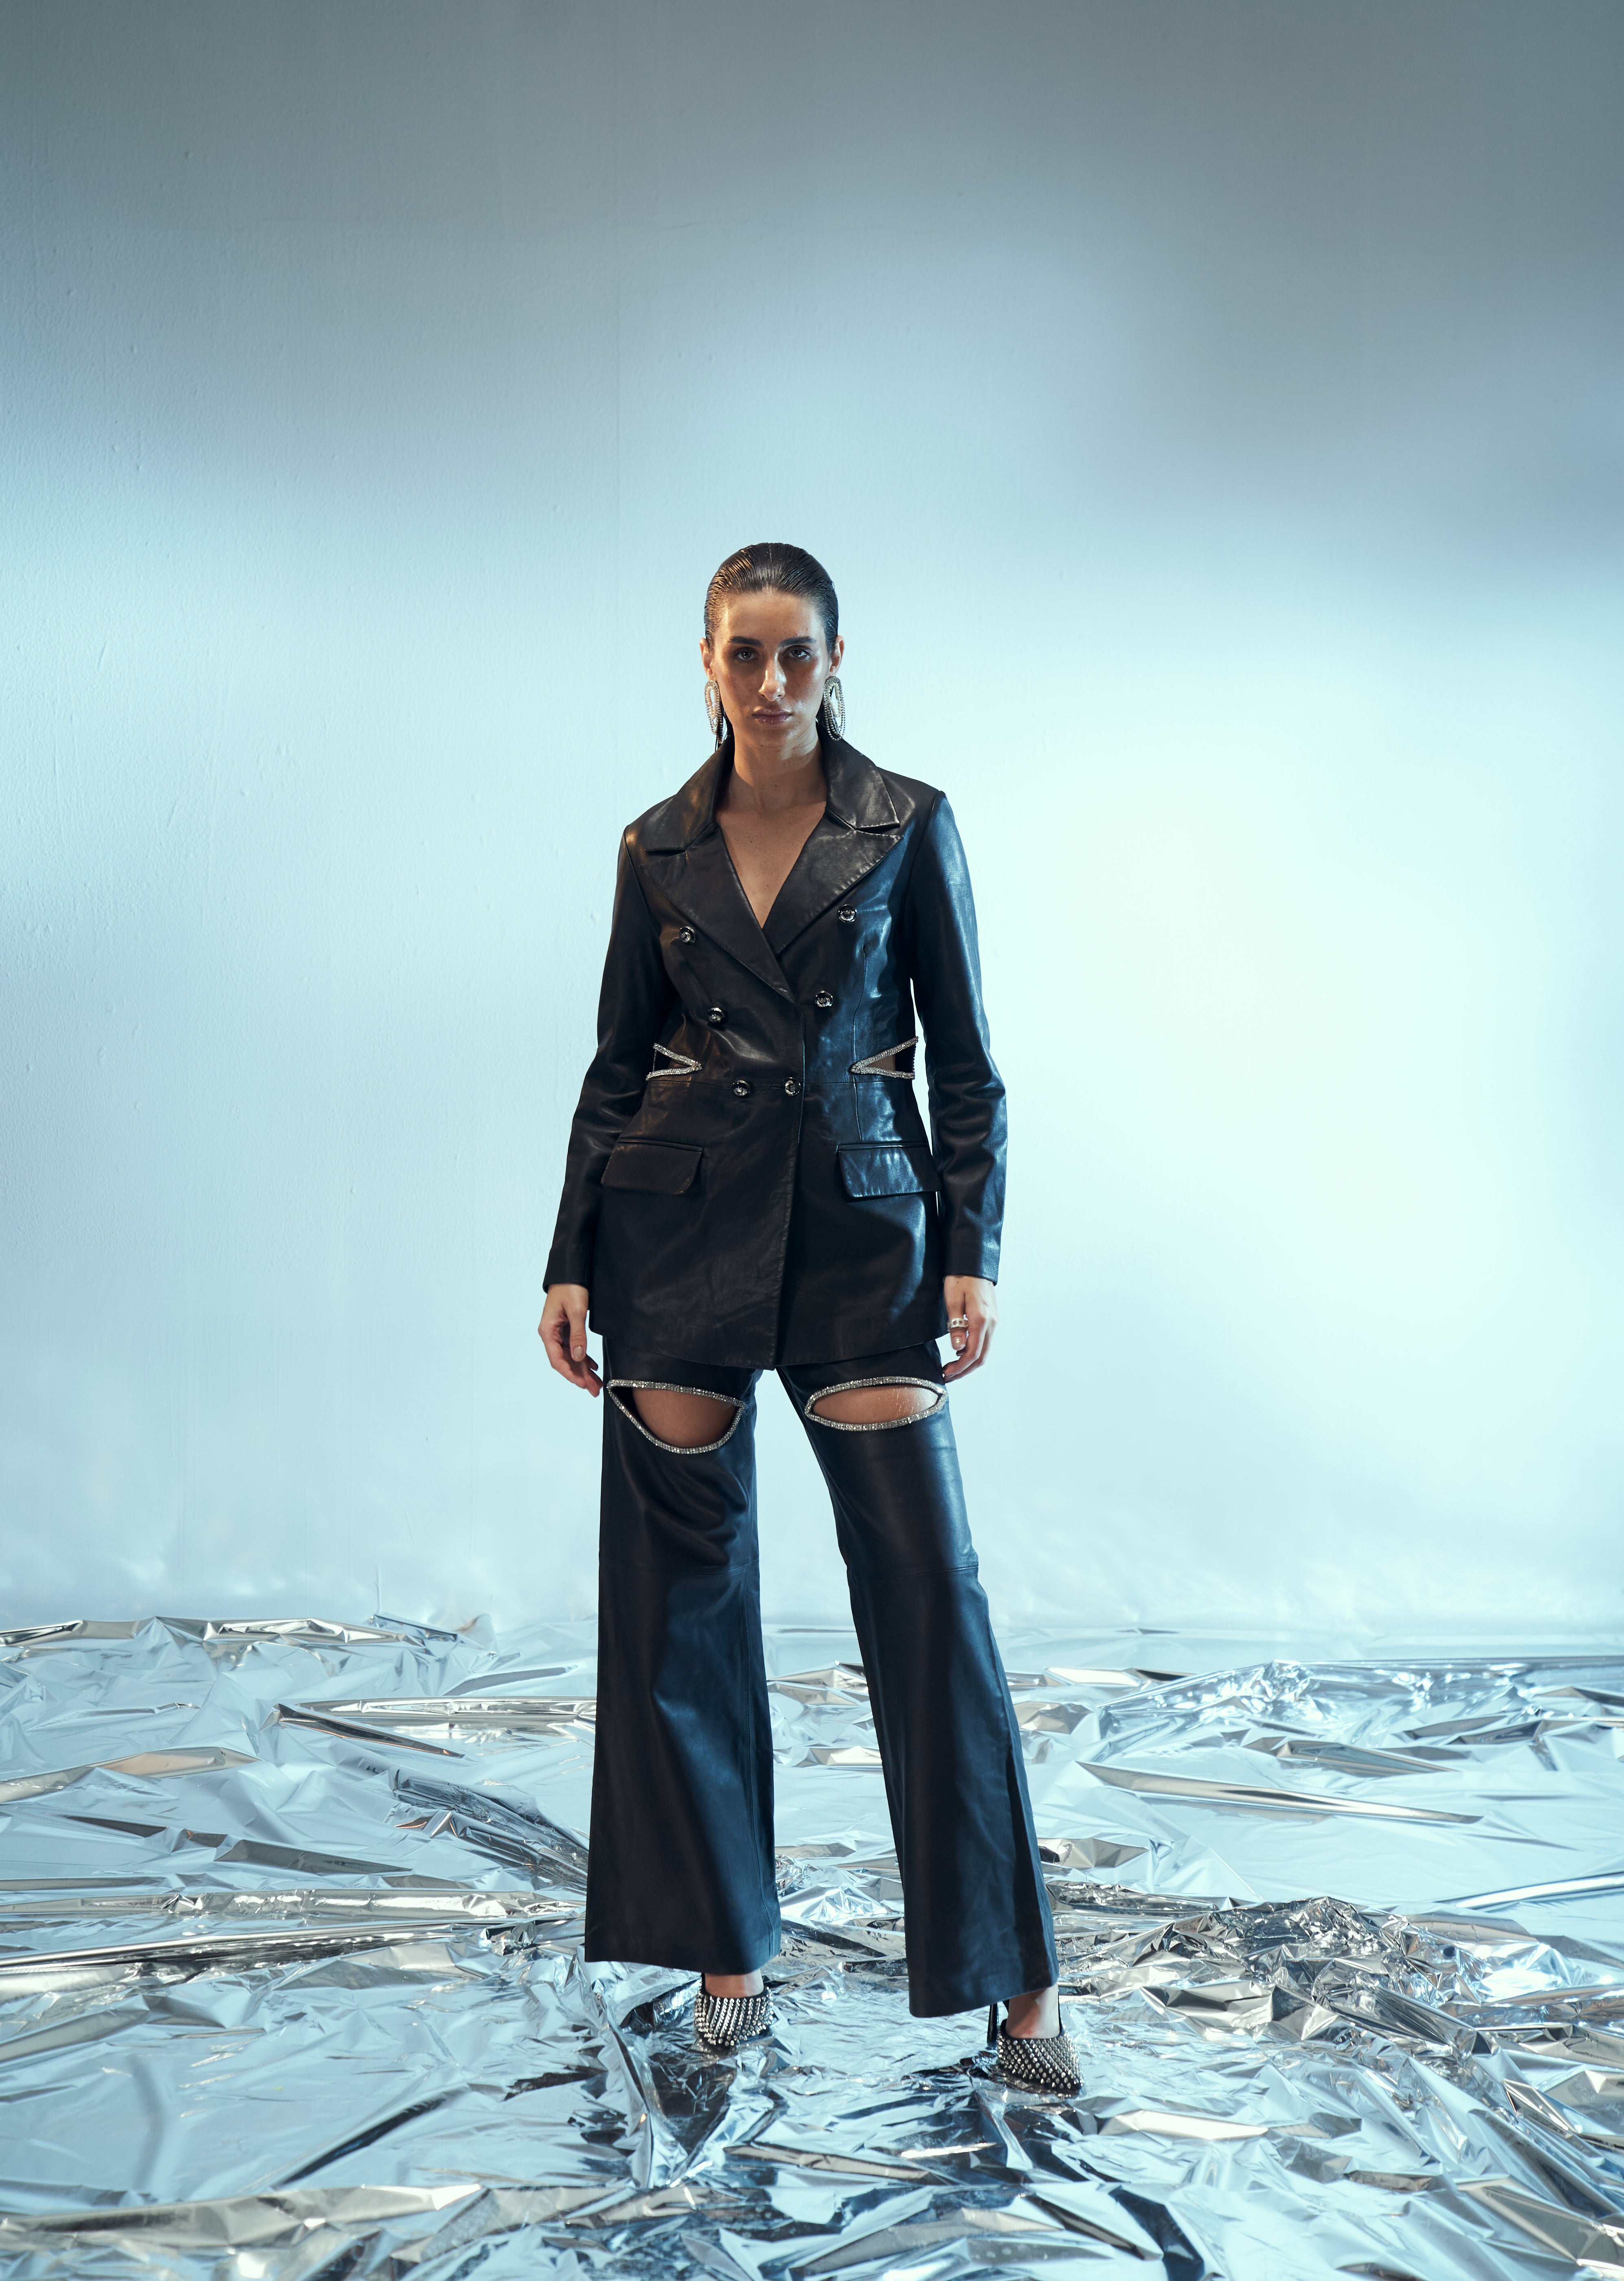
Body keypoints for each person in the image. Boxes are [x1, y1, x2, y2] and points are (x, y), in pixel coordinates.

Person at [538, 542, 1078, 2091]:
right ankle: (730, 1957)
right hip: (678, 1238)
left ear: (838, 661)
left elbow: (967, 1061)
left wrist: (969, 1246)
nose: (770, 682)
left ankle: (1018, 1980)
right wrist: (571, 1258)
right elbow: (617, 1065)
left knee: (929, 1598)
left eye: (795, 653)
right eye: (744, 653)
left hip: (861, 1236)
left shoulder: (907, 823)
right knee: (678, 1615)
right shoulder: (655, 844)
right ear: (705, 663)